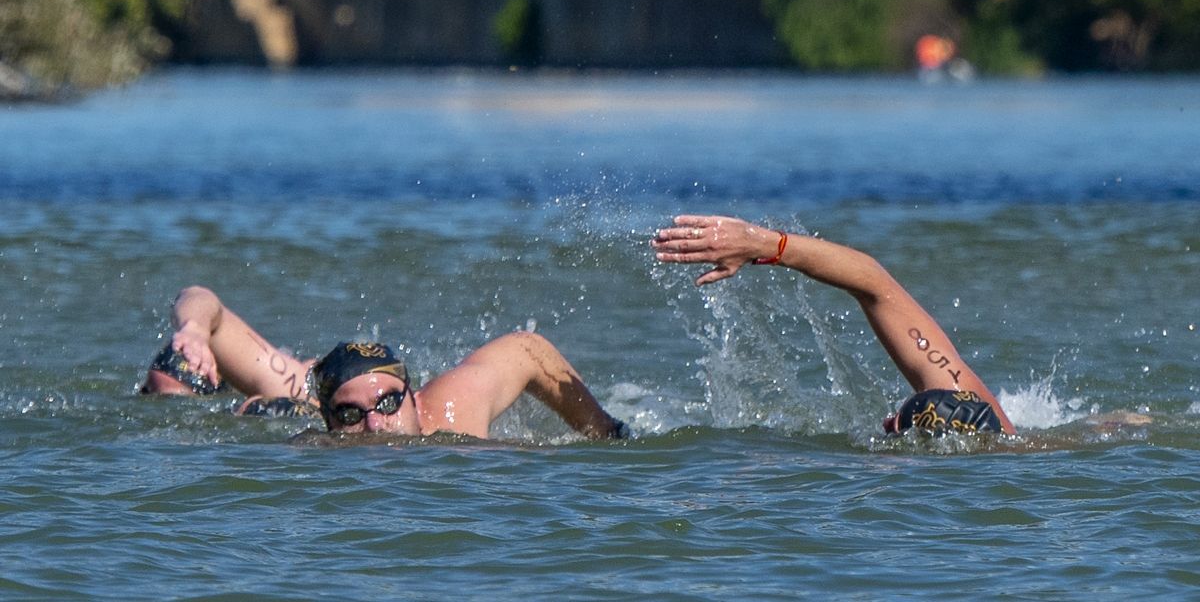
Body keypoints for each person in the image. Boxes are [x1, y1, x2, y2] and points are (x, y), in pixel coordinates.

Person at [652, 215, 1014, 438]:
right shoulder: (984, 419)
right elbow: (874, 283)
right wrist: (761, 243)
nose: (887, 423)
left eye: (896, 428)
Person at [141, 284, 625, 440]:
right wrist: (193, 331)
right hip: (291, 400)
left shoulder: (452, 413)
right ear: (328, 416)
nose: (376, 425)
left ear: (413, 395)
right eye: (352, 416)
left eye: (389, 404)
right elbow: (199, 297)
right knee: (174, 371)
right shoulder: (303, 416)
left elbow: (527, 349)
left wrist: (605, 432)